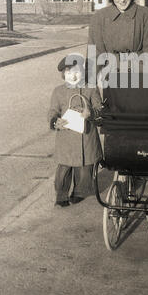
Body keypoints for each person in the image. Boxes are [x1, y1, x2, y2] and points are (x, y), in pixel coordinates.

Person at [48, 53, 103, 207]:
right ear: (63, 74)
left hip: (86, 136)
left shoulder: (91, 88)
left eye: (77, 72)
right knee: (64, 168)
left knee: (85, 168)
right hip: (66, 136)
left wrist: (91, 112)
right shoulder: (58, 91)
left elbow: (100, 108)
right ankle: (61, 195)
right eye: (69, 72)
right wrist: (55, 121)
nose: (73, 76)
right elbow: (53, 111)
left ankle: (80, 191)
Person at [88, 0, 148, 76]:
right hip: (109, 75)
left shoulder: (146, 15)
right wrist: (93, 81)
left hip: (140, 74)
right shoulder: (99, 18)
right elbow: (95, 54)